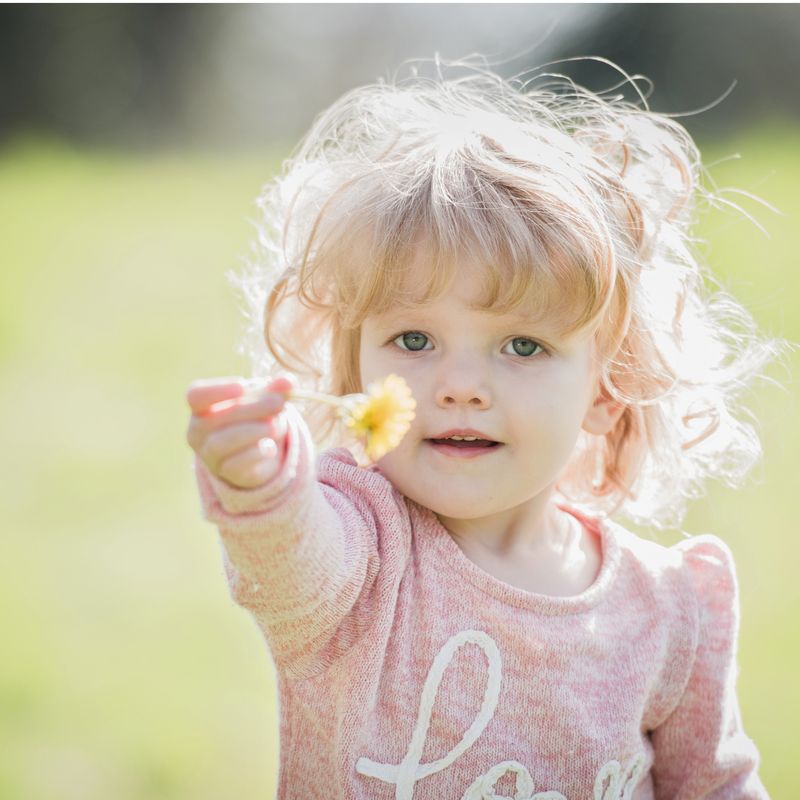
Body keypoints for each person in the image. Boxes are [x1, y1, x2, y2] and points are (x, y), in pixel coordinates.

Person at [185, 56, 780, 799]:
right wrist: (263, 483)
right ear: (353, 369)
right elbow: (290, 558)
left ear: (607, 389)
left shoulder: (668, 608)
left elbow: (716, 786)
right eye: (413, 340)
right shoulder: (361, 551)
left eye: (523, 346)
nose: (460, 385)